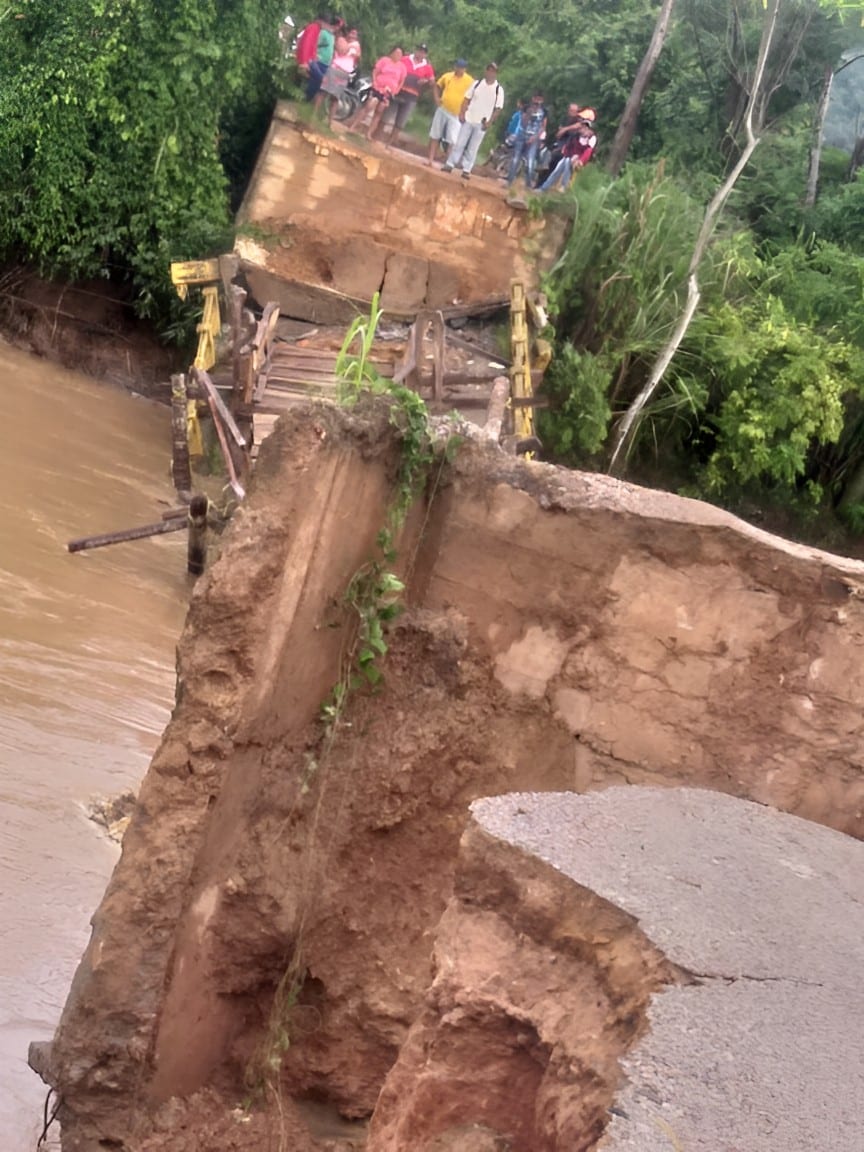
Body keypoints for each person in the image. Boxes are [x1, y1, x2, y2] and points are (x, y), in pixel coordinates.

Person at [442, 62, 504, 180]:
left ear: (496, 73)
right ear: (486, 71)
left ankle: (466, 169)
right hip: (469, 117)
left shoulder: (498, 90)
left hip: (482, 122)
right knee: (460, 143)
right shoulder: (477, 84)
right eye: (489, 70)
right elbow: (466, 98)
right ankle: (450, 164)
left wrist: (490, 122)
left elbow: (498, 108)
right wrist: (462, 112)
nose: (490, 73)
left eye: (493, 71)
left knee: (473, 147)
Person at [348, 46, 406, 140]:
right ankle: (353, 126)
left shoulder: (402, 67)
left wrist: (396, 91)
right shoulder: (384, 60)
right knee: (369, 106)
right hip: (378, 87)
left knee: (379, 112)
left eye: (400, 54)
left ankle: (369, 134)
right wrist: (374, 82)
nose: (397, 55)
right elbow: (375, 72)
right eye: (396, 53)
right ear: (392, 53)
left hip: (389, 92)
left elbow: (401, 80)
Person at [384, 43, 435, 148]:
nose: (420, 53)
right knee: (386, 116)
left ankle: (388, 144)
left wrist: (426, 81)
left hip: (412, 96)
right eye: (419, 51)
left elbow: (432, 82)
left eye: (423, 52)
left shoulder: (427, 67)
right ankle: (376, 137)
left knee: (400, 122)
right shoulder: (405, 59)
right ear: (416, 50)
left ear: (425, 54)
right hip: (398, 91)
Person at [427, 58, 474, 166]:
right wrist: (436, 98)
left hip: (456, 113)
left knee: (452, 140)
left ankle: (448, 163)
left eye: (462, 68)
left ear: (465, 69)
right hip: (443, 108)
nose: (459, 69)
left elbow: (473, 96)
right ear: (455, 67)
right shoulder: (448, 76)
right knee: (435, 134)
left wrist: (467, 109)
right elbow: (437, 86)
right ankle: (430, 160)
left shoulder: (469, 81)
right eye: (458, 67)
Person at [538, 110, 597, 192]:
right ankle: (544, 188)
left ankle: (563, 186)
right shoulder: (576, 136)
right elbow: (569, 147)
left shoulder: (591, 138)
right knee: (560, 166)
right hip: (570, 158)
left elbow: (588, 152)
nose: (580, 126)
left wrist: (580, 160)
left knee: (567, 161)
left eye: (582, 125)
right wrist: (568, 154)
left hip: (580, 162)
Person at [317, 25, 360, 120]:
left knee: (335, 98)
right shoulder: (341, 40)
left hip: (344, 73)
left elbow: (357, 58)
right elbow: (342, 51)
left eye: (355, 34)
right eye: (352, 33)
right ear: (347, 33)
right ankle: (313, 115)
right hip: (335, 69)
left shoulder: (356, 45)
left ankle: (330, 122)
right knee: (323, 92)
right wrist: (351, 47)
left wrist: (356, 52)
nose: (353, 36)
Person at [507, 91, 546, 188]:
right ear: (533, 99)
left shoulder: (544, 111)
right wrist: (529, 113)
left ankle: (528, 185)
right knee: (515, 159)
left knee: (530, 161)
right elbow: (523, 123)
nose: (537, 101)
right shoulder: (527, 108)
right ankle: (509, 181)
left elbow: (543, 127)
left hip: (534, 137)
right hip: (522, 135)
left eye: (539, 99)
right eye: (535, 99)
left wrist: (535, 137)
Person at [305, 15, 335, 101]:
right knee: (319, 79)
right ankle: (306, 98)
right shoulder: (323, 32)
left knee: (317, 82)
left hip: (325, 63)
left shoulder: (332, 36)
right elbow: (314, 44)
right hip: (318, 60)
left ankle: (308, 100)